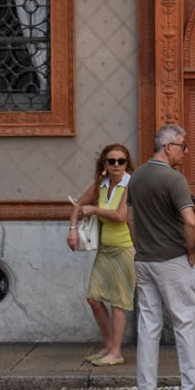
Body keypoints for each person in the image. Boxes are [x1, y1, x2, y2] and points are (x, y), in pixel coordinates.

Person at [129, 123, 195, 390]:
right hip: (173, 259)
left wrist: (139, 245)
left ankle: (146, 387)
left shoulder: (136, 177)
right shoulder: (174, 180)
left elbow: (130, 218)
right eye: (182, 147)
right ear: (168, 147)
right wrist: (191, 251)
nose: (185, 152)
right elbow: (190, 221)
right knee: (185, 321)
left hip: (144, 259)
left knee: (148, 322)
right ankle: (190, 387)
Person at [67, 141, 135, 366]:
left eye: (121, 161)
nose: (116, 165)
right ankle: (108, 345)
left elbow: (120, 216)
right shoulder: (102, 184)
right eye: (112, 161)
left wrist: (95, 209)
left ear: (127, 164)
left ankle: (115, 352)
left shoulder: (130, 184)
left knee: (118, 302)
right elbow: (78, 204)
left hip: (125, 249)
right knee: (94, 299)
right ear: (104, 163)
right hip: (105, 250)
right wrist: (73, 229)